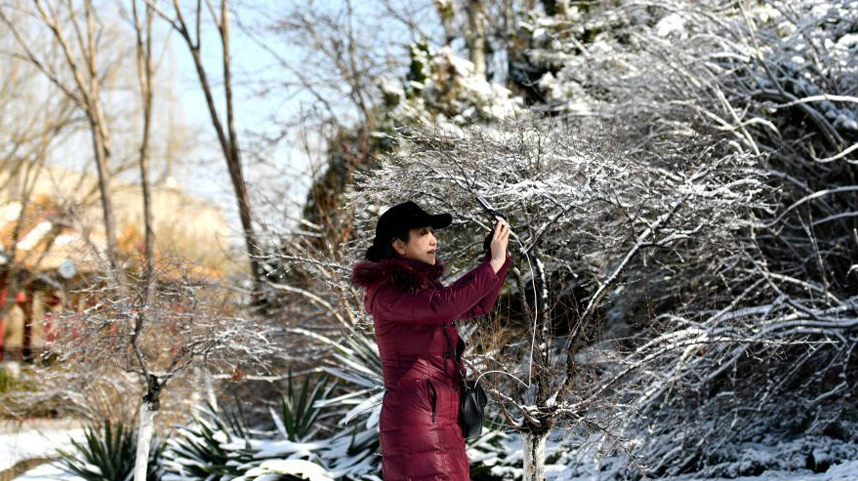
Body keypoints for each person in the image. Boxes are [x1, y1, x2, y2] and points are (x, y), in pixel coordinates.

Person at [350, 200, 511, 481]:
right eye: (423, 232)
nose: (434, 240)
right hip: (417, 420)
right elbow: (443, 306)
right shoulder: (386, 292)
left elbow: (475, 305)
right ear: (399, 245)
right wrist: (493, 264)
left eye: (432, 232)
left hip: (440, 416)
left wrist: (495, 260)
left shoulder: (420, 290)